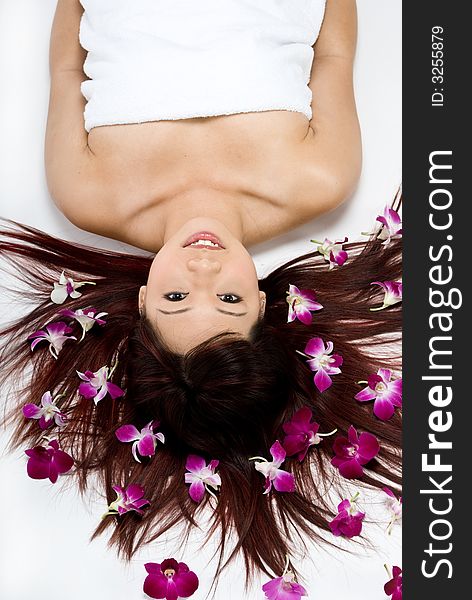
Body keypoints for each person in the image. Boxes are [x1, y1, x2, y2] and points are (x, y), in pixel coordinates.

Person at [0, 0, 401, 593]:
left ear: (140, 303)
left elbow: (66, 68)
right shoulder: (319, 178)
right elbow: (333, 49)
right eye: (232, 300)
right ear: (265, 303)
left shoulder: (86, 194)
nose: (204, 265)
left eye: (179, 296)